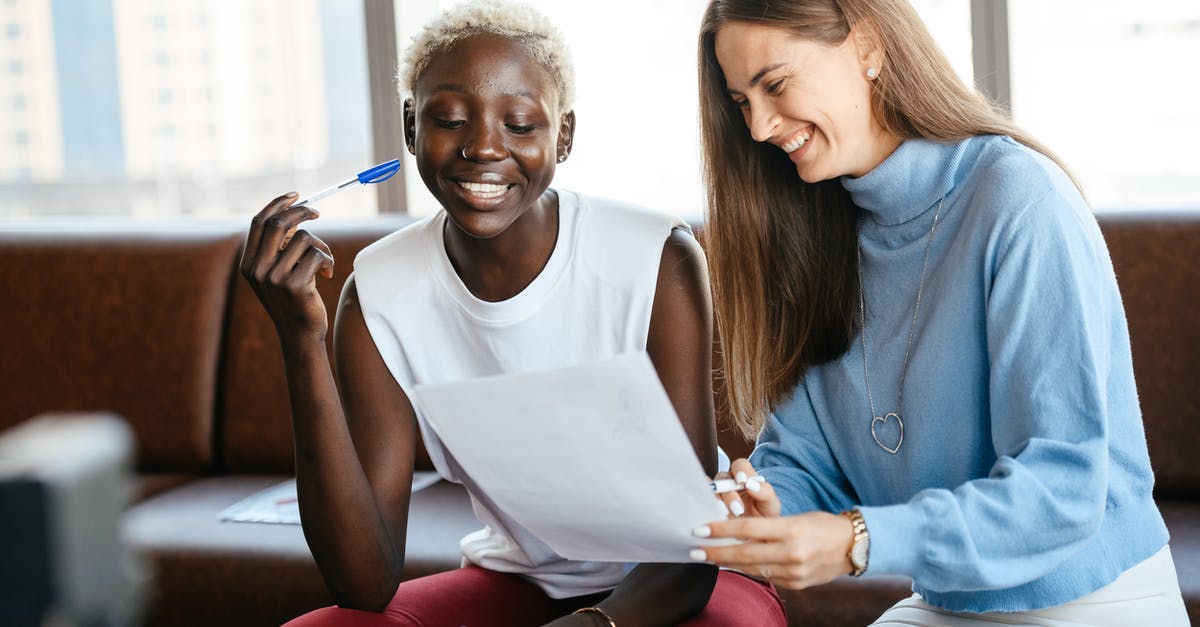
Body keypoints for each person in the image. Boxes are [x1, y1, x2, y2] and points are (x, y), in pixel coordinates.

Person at [239, 1, 786, 625]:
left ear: (565, 136)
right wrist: (301, 341)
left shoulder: (656, 260)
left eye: (521, 125)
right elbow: (362, 583)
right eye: (449, 119)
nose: (483, 147)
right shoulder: (379, 292)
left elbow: (689, 546)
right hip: (525, 583)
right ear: (412, 127)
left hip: (688, 581)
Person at [687, 0, 1189, 624]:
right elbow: (805, 462)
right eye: (741, 103)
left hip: (1094, 600)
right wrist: (763, 509)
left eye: (776, 84)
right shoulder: (812, 232)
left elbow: (1059, 492)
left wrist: (857, 540)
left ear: (868, 46)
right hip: (949, 602)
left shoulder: (1019, 200)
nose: (759, 127)